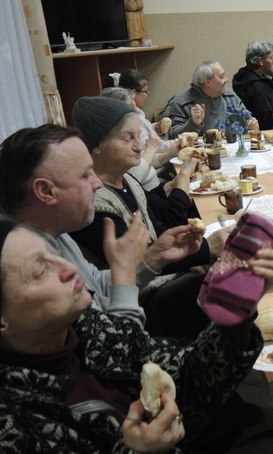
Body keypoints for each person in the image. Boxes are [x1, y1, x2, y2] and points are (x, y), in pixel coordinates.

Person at [0, 219, 273, 454]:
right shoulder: (13, 426)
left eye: (54, 256)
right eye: (40, 272)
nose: (67, 268)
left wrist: (239, 313)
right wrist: (139, 452)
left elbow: (188, 376)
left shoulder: (81, 327)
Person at [0, 124, 207, 328]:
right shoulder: (18, 264)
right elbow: (114, 348)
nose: (97, 183)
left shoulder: (51, 226)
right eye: (85, 174)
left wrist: (153, 258)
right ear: (45, 191)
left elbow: (96, 284)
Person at [70, 97, 229, 338]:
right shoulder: (95, 203)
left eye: (138, 137)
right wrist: (206, 250)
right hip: (139, 299)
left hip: (165, 278)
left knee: (224, 268)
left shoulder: (126, 179)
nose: (138, 146)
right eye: (127, 138)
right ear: (97, 145)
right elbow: (139, 262)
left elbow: (158, 227)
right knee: (225, 281)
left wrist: (194, 256)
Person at [159, 60, 253, 139]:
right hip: (199, 154)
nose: (227, 80)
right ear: (207, 82)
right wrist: (194, 123)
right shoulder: (181, 102)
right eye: (222, 76)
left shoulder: (230, 96)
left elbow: (246, 119)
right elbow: (173, 137)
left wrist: (251, 124)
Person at [232, 40, 273, 130]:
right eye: (271, 58)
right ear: (260, 61)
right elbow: (269, 121)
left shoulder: (243, 78)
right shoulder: (260, 87)